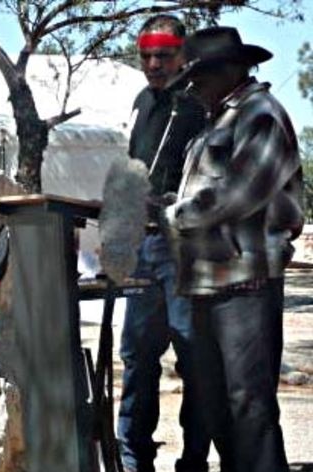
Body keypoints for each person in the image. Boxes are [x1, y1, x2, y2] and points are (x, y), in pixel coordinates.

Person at [164, 26, 302, 472]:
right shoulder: (217, 121)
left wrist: (175, 214)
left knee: (248, 404)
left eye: (200, 76)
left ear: (229, 71)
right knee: (219, 404)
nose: (193, 86)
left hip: (246, 280)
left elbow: (238, 194)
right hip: (211, 282)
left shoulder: (260, 114)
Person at [117, 14, 210, 472]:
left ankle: (194, 458)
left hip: (185, 246)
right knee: (136, 354)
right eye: (147, 55)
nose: (154, 63)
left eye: (164, 54)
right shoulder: (140, 101)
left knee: (193, 355)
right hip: (143, 243)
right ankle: (134, 455)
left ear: (182, 54)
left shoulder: (197, 103)